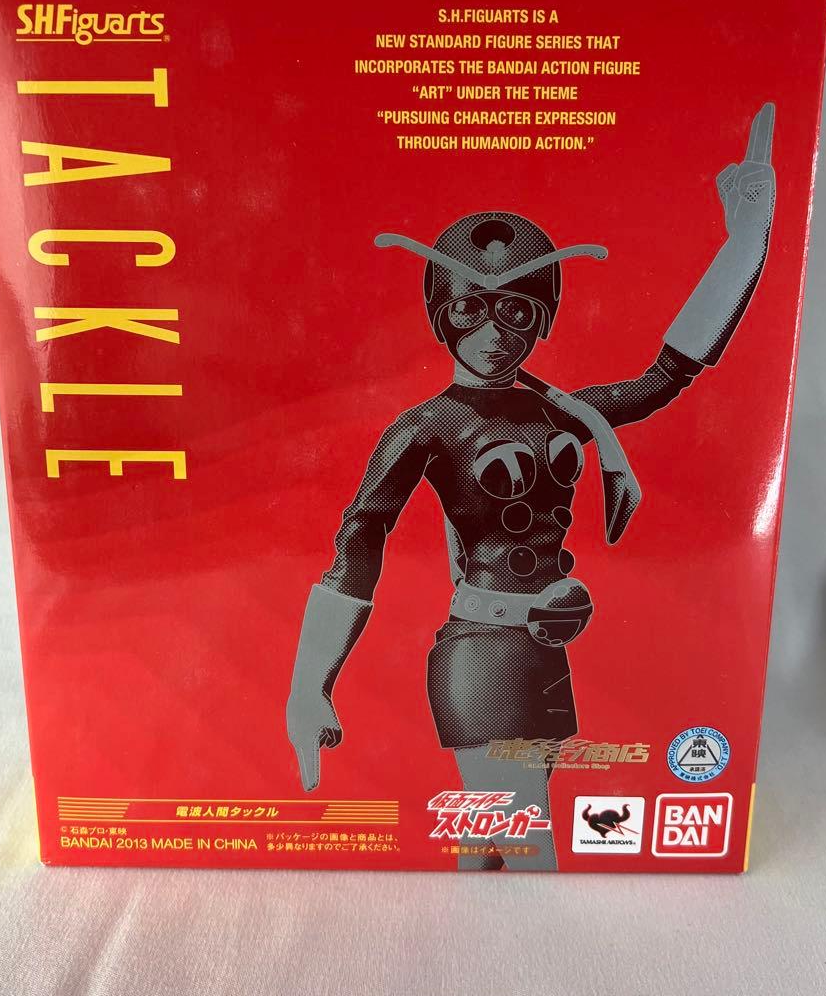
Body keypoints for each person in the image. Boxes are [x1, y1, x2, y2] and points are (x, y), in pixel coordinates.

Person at [287, 104, 777, 870]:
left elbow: (666, 375)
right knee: (528, 847)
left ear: (543, 315)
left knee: (490, 849)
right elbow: (360, 540)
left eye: (517, 311)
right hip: (484, 654)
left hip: (542, 651)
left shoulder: (564, 411)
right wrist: (309, 685)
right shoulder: (427, 427)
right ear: (442, 315)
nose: (494, 333)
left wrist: (747, 243)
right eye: (470, 310)